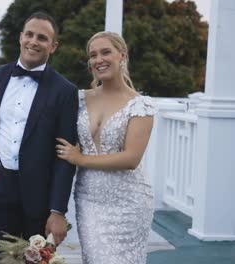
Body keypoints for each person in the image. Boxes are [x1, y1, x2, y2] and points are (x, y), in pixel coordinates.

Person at [0, 12, 78, 264]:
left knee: (35, 262)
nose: (34, 41)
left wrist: (58, 210)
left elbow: (64, 156)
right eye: (29, 34)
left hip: (40, 197)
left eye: (42, 37)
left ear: (53, 46)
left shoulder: (65, 91)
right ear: (20, 37)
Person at [56, 31, 155, 264]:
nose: (98, 59)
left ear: (122, 54)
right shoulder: (79, 99)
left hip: (130, 203)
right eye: (93, 55)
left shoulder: (141, 105)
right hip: (90, 200)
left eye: (105, 52)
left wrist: (80, 159)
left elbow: (131, 158)